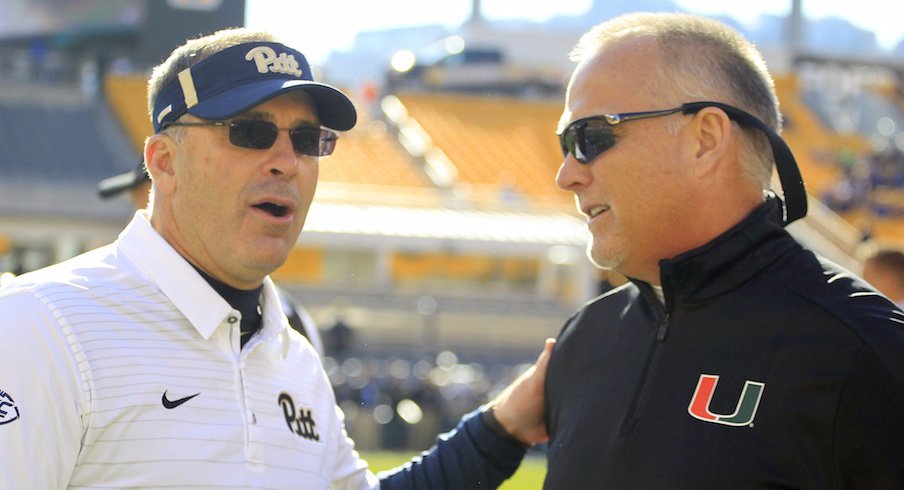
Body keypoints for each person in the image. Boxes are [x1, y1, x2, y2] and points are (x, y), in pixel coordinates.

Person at [0, 28, 550, 489]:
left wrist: (503, 427)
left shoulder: (292, 354)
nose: (287, 161)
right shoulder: (39, 328)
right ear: (164, 163)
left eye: (308, 139)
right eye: (251, 131)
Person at [545, 12, 904, 488]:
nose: (566, 174)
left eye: (588, 137)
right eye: (564, 144)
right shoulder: (584, 338)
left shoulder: (867, 352)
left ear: (706, 139)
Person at [98, 159, 326, 355]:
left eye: (147, 200)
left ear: (168, 178)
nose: (141, 215)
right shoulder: (88, 304)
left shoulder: (287, 322)